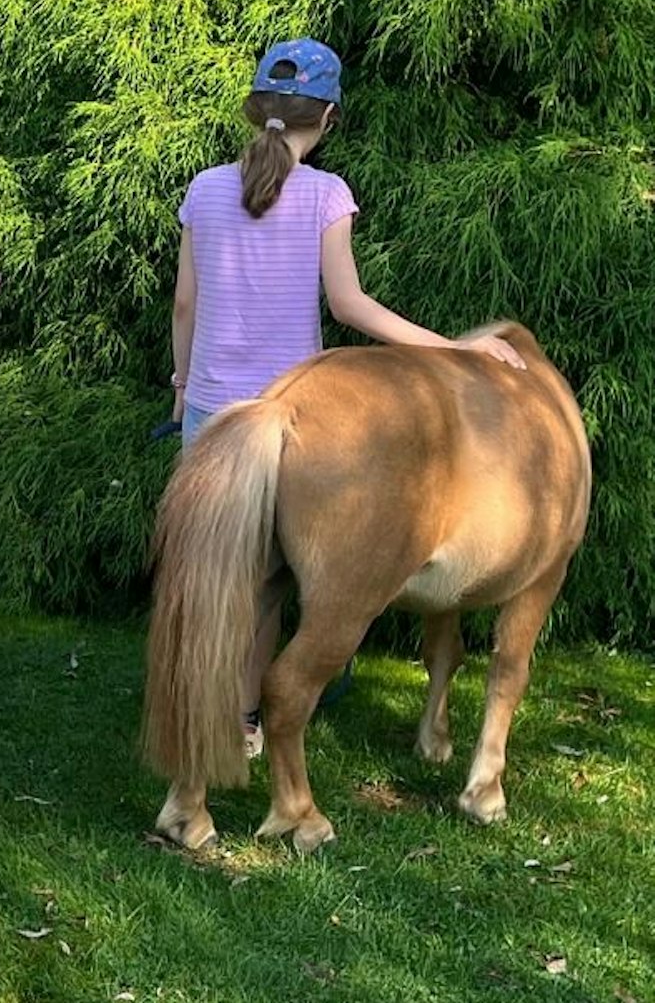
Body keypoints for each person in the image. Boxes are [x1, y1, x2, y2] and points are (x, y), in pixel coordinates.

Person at [169, 38, 525, 757]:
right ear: (327, 117)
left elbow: (183, 304)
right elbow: (350, 304)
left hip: (211, 411)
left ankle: (201, 719)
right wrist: (458, 347)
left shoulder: (204, 189)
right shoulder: (325, 195)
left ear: (254, 107)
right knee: (270, 581)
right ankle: (244, 724)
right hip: (294, 418)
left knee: (217, 583)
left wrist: (181, 389)